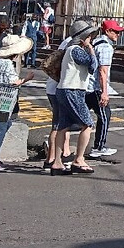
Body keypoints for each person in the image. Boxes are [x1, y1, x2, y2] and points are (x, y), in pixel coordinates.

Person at [47, 20, 99, 175]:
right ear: (83, 37)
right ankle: (79, 159)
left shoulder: (69, 49)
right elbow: (92, 66)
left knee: (63, 126)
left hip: (62, 90)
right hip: (73, 90)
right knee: (87, 124)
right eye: (90, 36)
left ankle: (57, 163)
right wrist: (91, 50)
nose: (91, 39)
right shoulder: (76, 50)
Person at [0, 33, 35, 172]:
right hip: (4, 100)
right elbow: (13, 83)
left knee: (3, 125)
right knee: (1, 128)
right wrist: (26, 79)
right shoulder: (7, 64)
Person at [86, 19, 123, 158]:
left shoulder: (95, 42)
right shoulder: (106, 47)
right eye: (116, 32)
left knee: (82, 119)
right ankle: (99, 146)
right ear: (108, 31)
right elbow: (103, 71)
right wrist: (104, 92)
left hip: (87, 85)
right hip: (95, 87)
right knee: (104, 115)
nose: (118, 35)